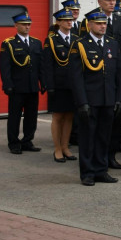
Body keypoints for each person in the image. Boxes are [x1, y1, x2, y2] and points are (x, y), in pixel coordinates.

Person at [70, 9, 121, 186]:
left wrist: (119, 98)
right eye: (99, 23)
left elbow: (118, 74)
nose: (103, 26)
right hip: (90, 100)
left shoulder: (112, 44)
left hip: (108, 98)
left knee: (104, 136)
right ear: (90, 24)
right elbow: (76, 77)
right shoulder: (80, 45)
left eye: (104, 23)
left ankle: (101, 170)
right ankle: (87, 173)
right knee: (87, 137)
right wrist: (82, 102)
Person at [0, 11, 43, 155]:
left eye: (29, 24)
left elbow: (40, 66)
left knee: (31, 116)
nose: (27, 27)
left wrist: (43, 82)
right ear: (16, 25)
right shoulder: (9, 44)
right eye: (24, 24)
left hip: (32, 87)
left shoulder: (36, 43)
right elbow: (4, 67)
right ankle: (13, 142)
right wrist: (7, 85)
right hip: (17, 87)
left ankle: (27, 141)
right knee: (14, 116)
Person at [42, 8, 77, 162]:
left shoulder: (76, 39)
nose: (70, 22)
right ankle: (57, 149)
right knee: (58, 116)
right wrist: (49, 86)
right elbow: (47, 65)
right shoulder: (51, 40)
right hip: (58, 84)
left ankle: (65, 147)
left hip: (73, 84)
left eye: (71, 20)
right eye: (66, 20)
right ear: (59, 22)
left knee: (69, 116)